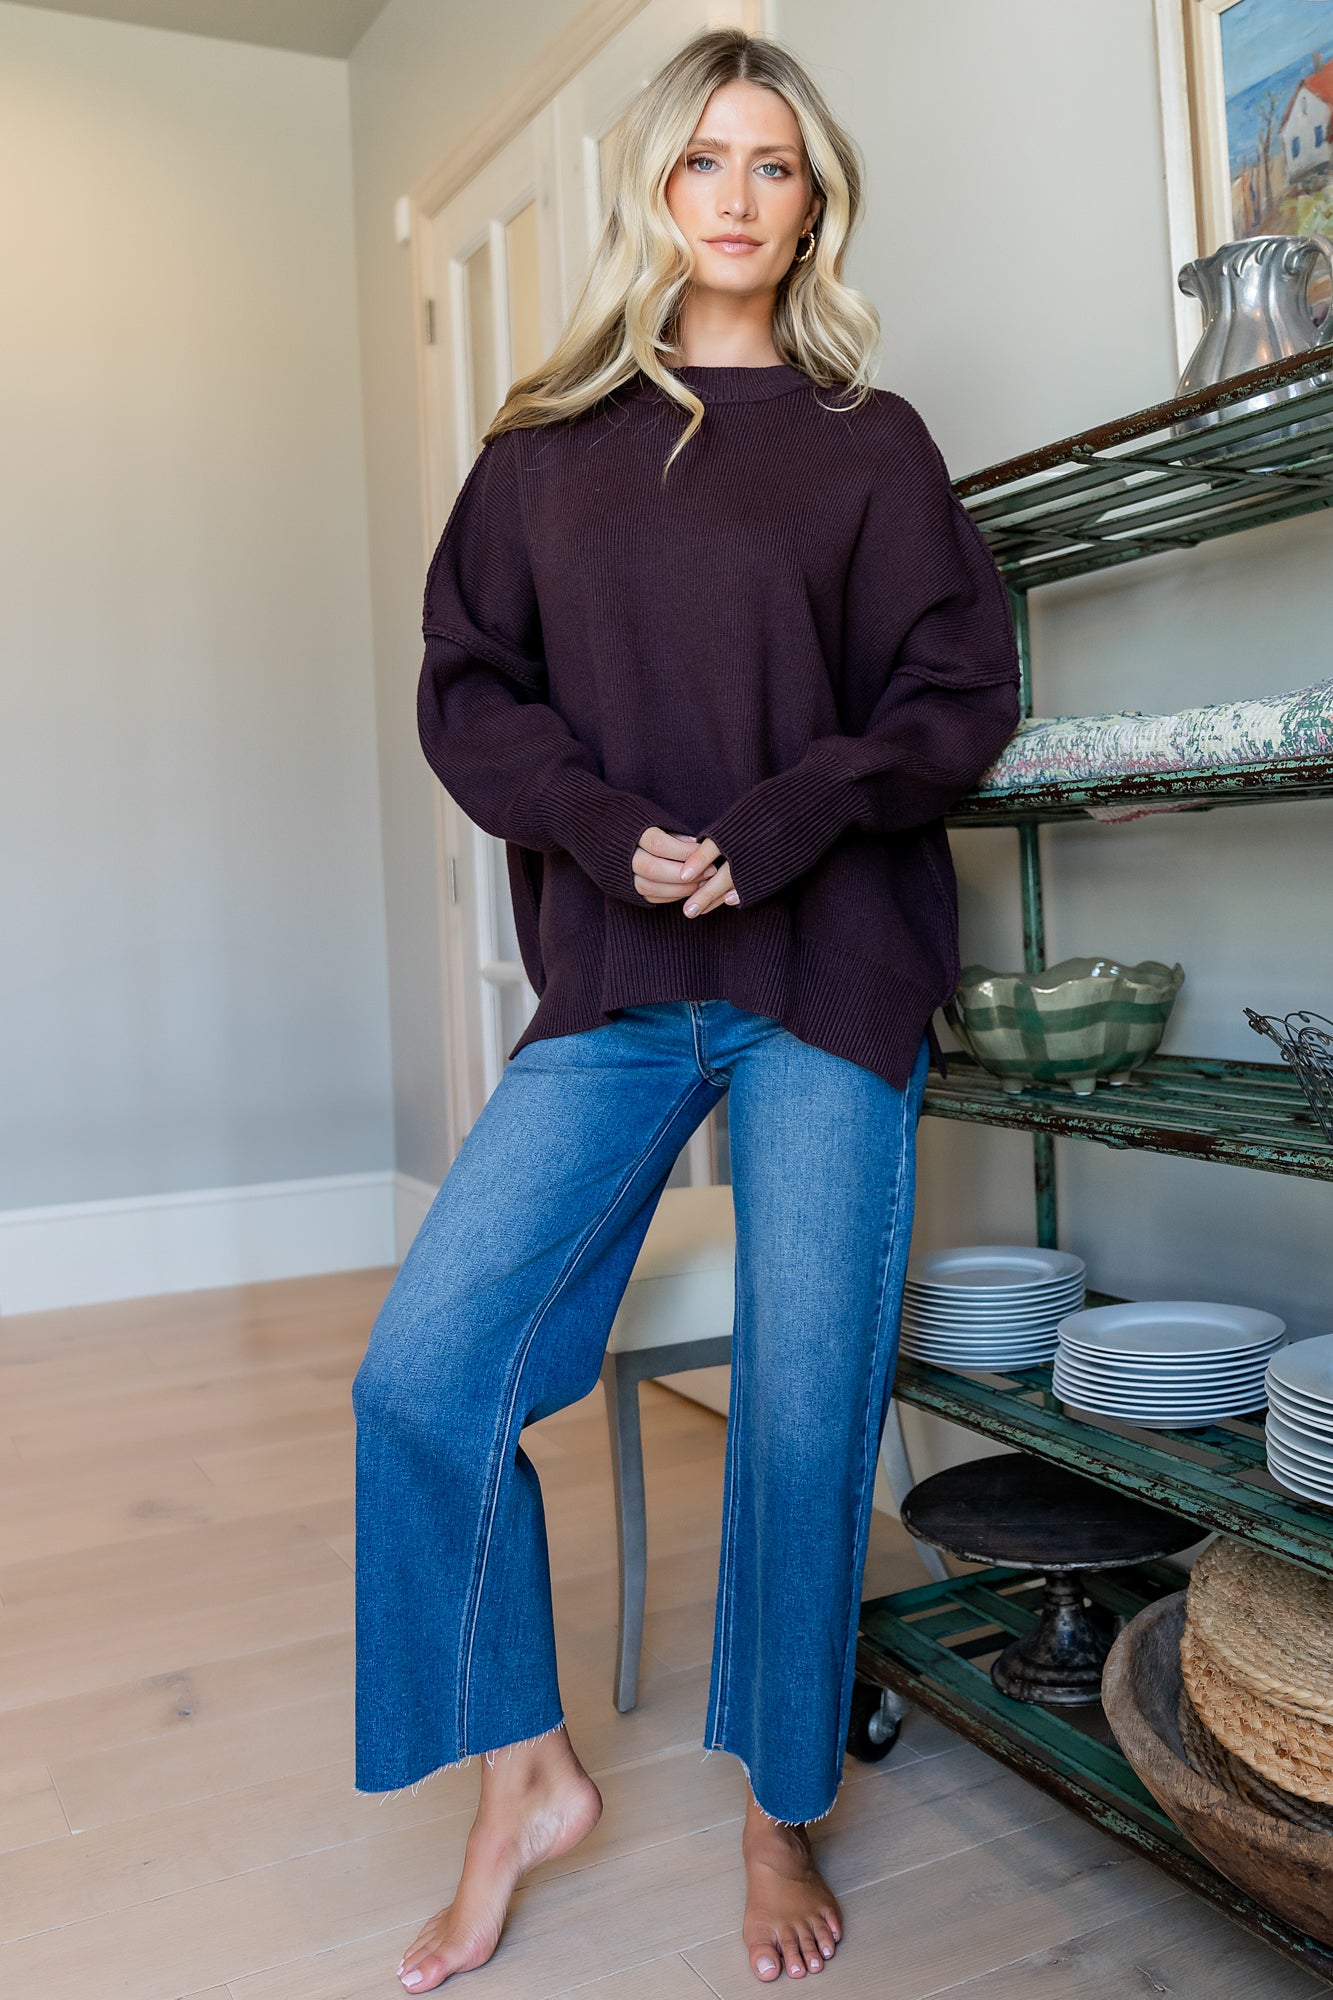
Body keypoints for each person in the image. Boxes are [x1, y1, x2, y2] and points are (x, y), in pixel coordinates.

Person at [351, 26, 1020, 1991]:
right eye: (704, 158)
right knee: (424, 1376)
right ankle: (521, 1777)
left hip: (830, 968)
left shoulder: (870, 441)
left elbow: (955, 695)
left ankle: (776, 1804)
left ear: (813, 207)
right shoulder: (542, 446)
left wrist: (788, 816)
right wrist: (596, 822)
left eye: (775, 164)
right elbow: (467, 686)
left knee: (804, 1414)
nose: (737, 194)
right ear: (650, 189)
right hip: (626, 976)